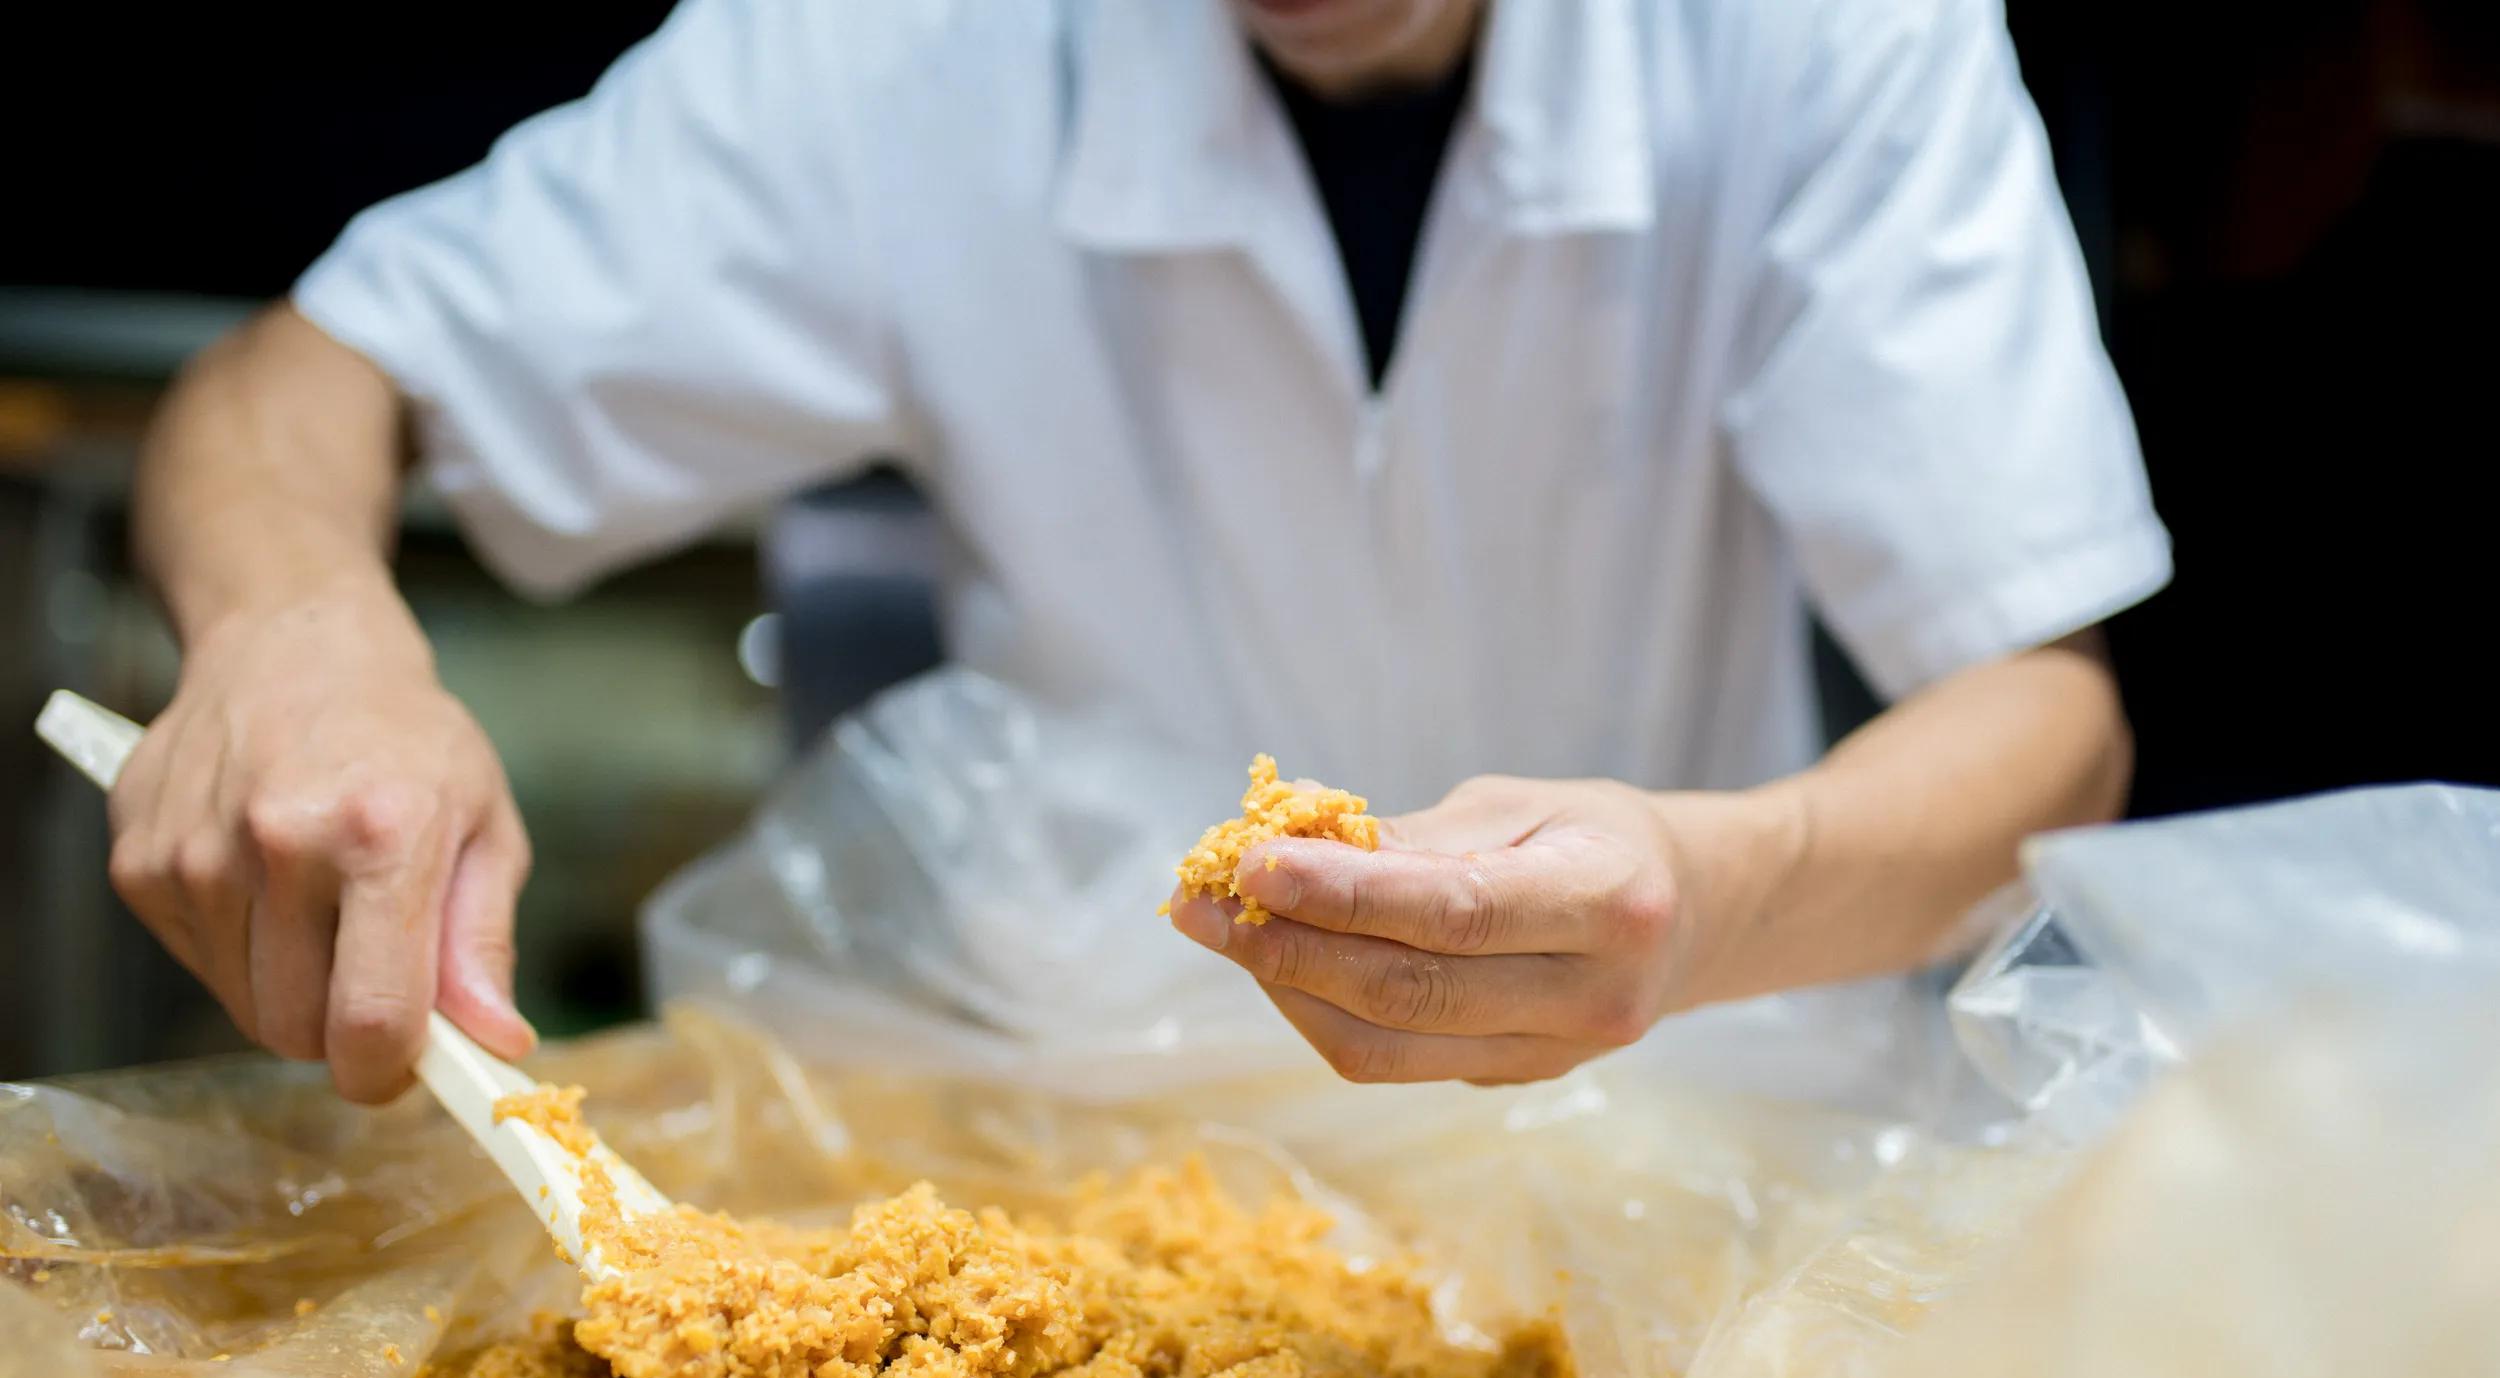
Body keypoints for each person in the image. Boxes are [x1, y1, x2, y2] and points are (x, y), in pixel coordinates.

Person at [113, 0, 2167, 1100]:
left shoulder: (1825, 38)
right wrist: (303, 635)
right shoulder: (901, 51)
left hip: (1706, 1132)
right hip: (1100, 1134)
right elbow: (298, 381)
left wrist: (1713, 902)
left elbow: (2041, 718)